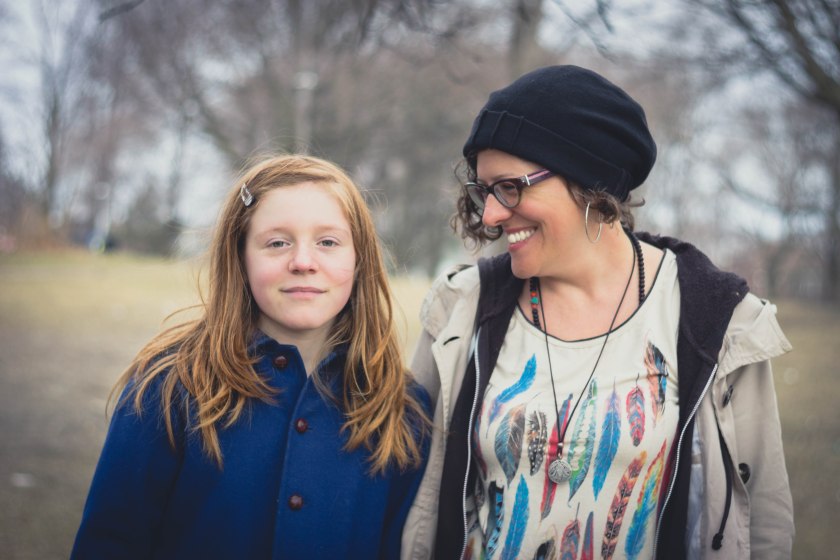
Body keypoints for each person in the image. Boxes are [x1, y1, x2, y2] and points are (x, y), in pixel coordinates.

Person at [402, 65, 793, 560]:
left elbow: (763, 524)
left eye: (511, 187)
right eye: (485, 190)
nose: (492, 214)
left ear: (591, 183)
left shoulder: (718, 322)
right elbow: (402, 485)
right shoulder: (461, 309)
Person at [72, 154, 431, 559]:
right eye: (277, 243)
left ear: (359, 257)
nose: (303, 262)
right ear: (240, 256)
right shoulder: (168, 387)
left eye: (328, 242)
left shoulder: (402, 410)